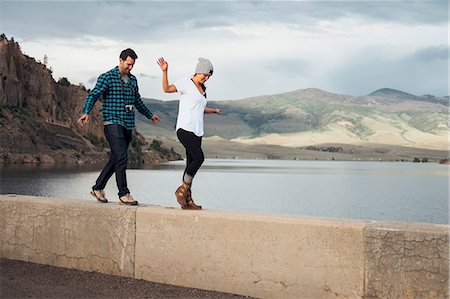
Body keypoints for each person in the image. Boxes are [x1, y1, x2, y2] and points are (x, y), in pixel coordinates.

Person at [78, 48, 160, 205]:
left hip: (128, 123)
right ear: (121, 60)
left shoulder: (133, 80)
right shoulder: (107, 77)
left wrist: (150, 115)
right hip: (112, 121)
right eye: (128, 64)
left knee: (116, 158)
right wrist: (86, 112)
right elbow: (93, 95)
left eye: (132, 65)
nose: (130, 68)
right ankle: (124, 193)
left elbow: (137, 101)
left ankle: (98, 187)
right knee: (122, 156)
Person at [157, 57, 221, 209]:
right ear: (198, 71)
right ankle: (182, 190)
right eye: (204, 75)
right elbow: (166, 89)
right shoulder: (185, 83)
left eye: (208, 76)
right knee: (199, 158)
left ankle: (187, 201)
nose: (206, 78)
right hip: (185, 129)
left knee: (189, 165)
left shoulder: (203, 90)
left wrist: (213, 111)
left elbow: (199, 108)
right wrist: (165, 71)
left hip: (198, 131)